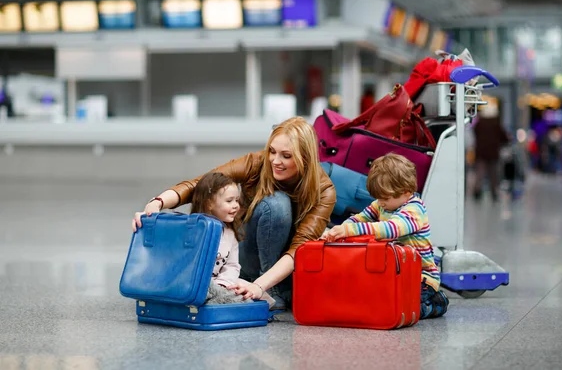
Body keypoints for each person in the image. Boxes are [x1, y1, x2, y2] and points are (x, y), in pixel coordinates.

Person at [132, 117, 336, 310]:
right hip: (244, 257)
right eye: (272, 151)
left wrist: (260, 285)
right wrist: (157, 202)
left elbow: (299, 249)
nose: (275, 160)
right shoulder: (258, 163)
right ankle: (264, 286)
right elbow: (204, 184)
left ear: (306, 158)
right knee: (277, 204)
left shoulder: (324, 191)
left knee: (288, 215)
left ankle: (271, 288)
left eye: (286, 155)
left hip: (283, 270)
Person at [321, 153, 449, 319]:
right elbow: (359, 218)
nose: (380, 202)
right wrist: (338, 230)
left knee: (401, 310)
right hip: (393, 273)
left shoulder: (414, 209)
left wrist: (350, 231)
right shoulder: (382, 205)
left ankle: (436, 303)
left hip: (420, 278)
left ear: (406, 192)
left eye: (385, 198)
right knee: (375, 302)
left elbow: (391, 229)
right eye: (378, 198)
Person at [189, 172, 273, 307]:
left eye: (236, 200)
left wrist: (224, 283)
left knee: (253, 294)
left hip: (221, 282)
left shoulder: (230, 233)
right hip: (196, 283)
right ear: (209, 203)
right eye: (229, 201)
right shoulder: (194, 230)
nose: (235, 205)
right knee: (203, 293)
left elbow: (232, 265)